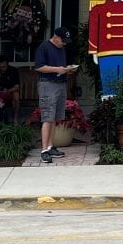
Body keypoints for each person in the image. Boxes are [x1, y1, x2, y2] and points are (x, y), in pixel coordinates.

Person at [33, 27, 79, 163]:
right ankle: (44, 150)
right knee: (47, 117)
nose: (64, 43)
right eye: (62, 40)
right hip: (48, 84)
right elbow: (39, 67)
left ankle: (51, 146)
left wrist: (67, 70)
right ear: (56, 37)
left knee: (54, 117)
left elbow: (60, 66)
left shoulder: (62, 49)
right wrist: (57, 69)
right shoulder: (44, 47)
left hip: (60, 83)